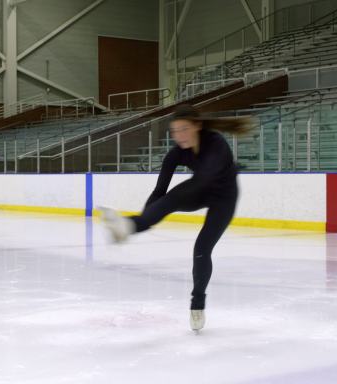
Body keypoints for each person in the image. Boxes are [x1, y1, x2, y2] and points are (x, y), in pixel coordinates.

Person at [99, 104, 256, 332]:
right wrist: (141, 222)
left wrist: (158, 209)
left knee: (202, 247)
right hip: (199, 191)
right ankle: (127, 226)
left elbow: (205, 178)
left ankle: (197, 304)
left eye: (184, 129)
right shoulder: (175, 154)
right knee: (168, 199)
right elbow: (159, 192)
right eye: (175, 131)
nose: (179, 136)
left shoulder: (216, 143)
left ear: (197, 127)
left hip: (224, 198)